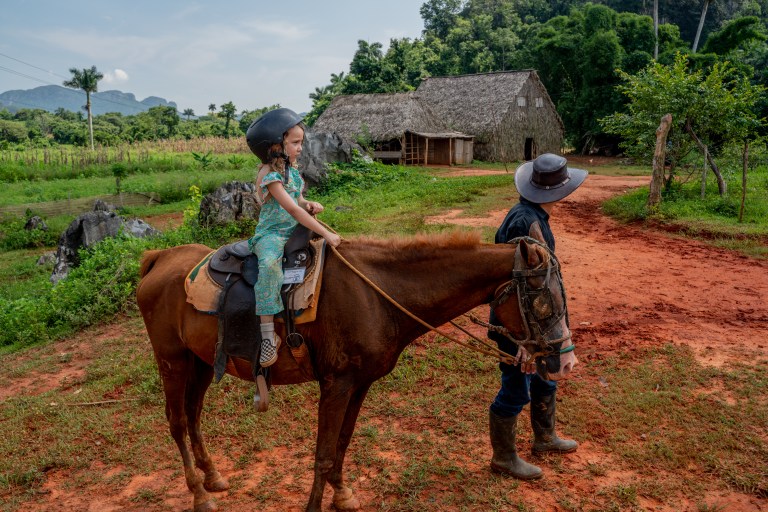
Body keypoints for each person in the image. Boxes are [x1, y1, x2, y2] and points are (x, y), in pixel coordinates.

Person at [488, 153, 587, 480]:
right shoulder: (526, 223)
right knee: (516, 390)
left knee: (545, 377)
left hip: (532, 325)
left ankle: (544, 437)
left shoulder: (533, 216)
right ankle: (503, 457)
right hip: (519, 328)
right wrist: (524, 342)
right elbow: (523, 291)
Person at [245, 108, 341, 368]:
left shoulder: (292, 172)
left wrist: (310, 203)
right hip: (273, 235)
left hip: (295, 230)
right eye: (295, 143)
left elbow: (298, 202)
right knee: (269, 267)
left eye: (301, 142)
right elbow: (291, 209)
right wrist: (325, 232)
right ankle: (267, 336)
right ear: (276, 146)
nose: (300, 148)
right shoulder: (269, 175)